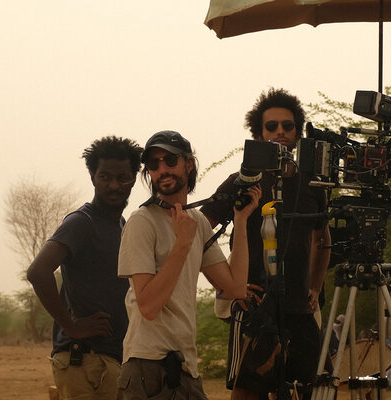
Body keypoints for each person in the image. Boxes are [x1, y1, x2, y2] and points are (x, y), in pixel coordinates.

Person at [201, 88, 332, 400]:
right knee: (249, 393)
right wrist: (229, 284)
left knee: (311, 391)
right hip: (254, 308)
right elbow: (198, 231)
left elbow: (323, 238)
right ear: (258, 134)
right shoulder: (242, 180)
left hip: (300, 308)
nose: (280, 132)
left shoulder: (312, 182)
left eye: (287, 126)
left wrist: (315, 285)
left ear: (298, 132)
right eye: (271, 126)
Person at [116, 130, 261, 400]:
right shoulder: (141, 222)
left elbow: (235, 288)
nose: (162, 169)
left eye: (170, 160)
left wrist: (241, 221)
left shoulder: (197, 221)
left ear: (189, 164)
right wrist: (182, 245)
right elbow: (147, 306)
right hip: (147, 366)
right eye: (154, 164)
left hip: (185, 367)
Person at [27, 136, 143, 400]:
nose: (114, 185)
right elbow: (38, 272)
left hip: (110, 360)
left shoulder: (122, 226)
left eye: (122, 178)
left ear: (134, 178)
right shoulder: (82, 222)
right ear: (92, 176)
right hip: (85, 361)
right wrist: (71, 325)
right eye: (105, 177)